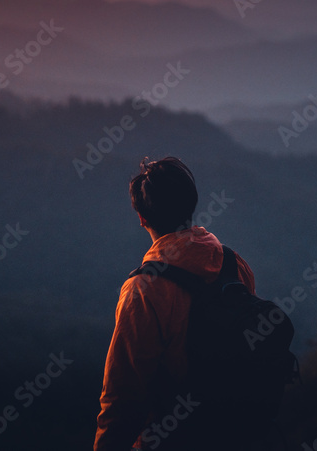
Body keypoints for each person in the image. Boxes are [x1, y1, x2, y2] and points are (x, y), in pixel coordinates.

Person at [94, 156, 257, 451]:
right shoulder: (235, 266)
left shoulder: (143, 291)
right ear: (190, 207)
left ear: (142, 218)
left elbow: (122, 400)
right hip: (236, 433)